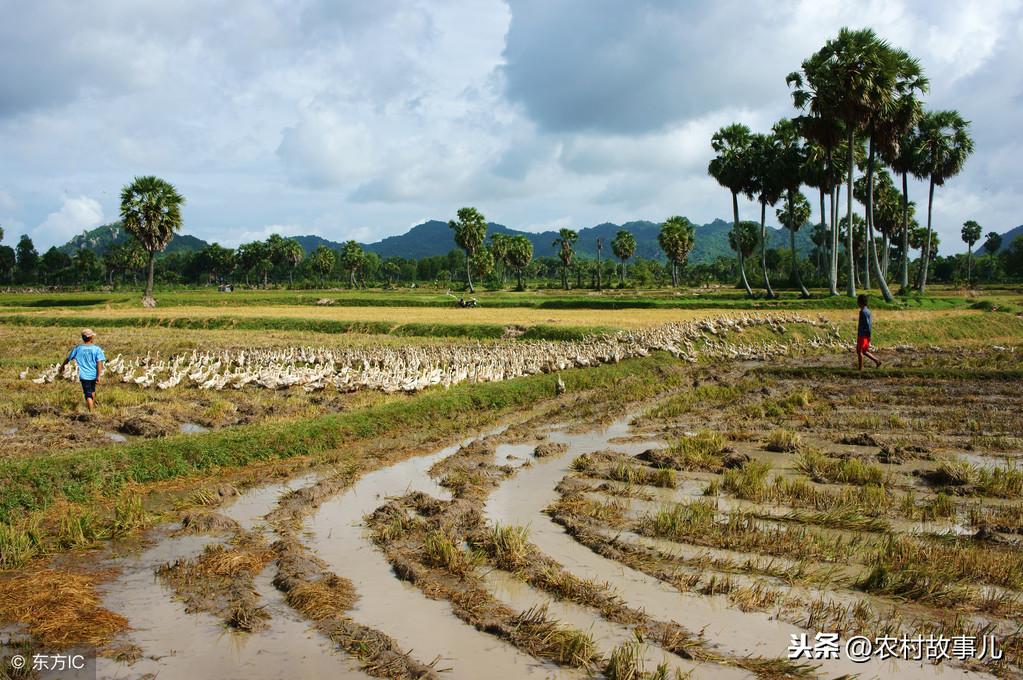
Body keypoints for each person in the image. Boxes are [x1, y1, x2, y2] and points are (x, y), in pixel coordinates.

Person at [60, 328, 106, 411]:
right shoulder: (97, 349)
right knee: (92, 390)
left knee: (87, 394)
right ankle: (91, 407)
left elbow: (68, 358)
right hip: (93, 374)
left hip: (83, 375)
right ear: (91, 337)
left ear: (83, 337)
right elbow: (99, 363)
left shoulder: (78, 348)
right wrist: (98, 375)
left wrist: (62, 366)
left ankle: (91, 412)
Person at [855, 294, 881, 371]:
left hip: (863, 335)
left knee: (859, 352)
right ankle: (877, 361)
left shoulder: (863, 312)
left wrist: (867, 334)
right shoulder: (868, 311)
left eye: (858, 301)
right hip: (865, 335)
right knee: (864, 351)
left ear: (860, 302)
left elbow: (867, 324)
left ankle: (860, 369)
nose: (857, 303)